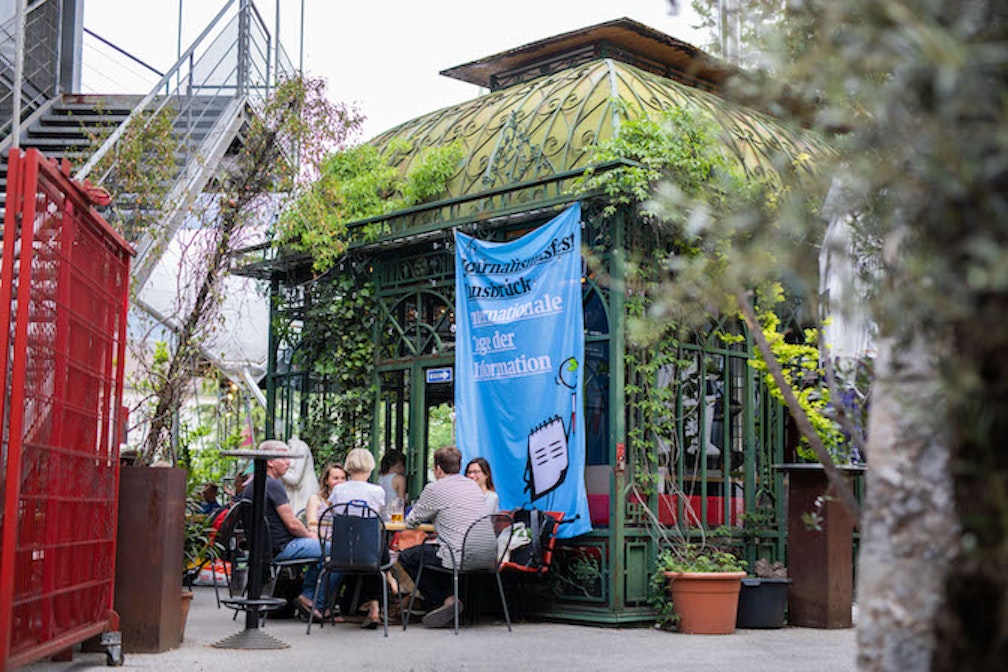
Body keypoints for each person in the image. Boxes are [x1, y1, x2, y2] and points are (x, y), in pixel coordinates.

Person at [239, 439, 335, 622]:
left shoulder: (255, 484)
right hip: (282, 548)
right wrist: (311, 535)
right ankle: (310, 599)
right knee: (330, 550)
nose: (289, 462)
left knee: (321, 548)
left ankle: (308, 598)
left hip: (265, 549)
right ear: (270, 461)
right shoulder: (273, 485)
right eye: (284, 457)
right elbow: (292, 523)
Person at [399, 445, 486, 628]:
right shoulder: (473, 486)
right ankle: (450, 601)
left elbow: (411, 522)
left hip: (456, 555)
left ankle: (441, 601)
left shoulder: (435, 488)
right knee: (436, 552)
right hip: (485, 553)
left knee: (408, 556)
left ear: (438, 468)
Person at [328, 448, 387, 629]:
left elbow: (333, 512)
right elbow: (378, 517)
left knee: (367, 549)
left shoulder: (338, 490)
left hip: (342, 551)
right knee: (377, 552)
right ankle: (376, 606)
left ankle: (368, 605)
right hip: (368, 553)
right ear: (370, 467)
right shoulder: (377, 491)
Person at [280, 436, 320, 520]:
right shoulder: (293, 449)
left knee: (304, 518)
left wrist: (279, 471)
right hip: (298, 491)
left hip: (305, 490)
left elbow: (295, 479)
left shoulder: (301, 448)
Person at [305, 463, 348, 532]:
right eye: (335, 478)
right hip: (320, 539)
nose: (340, 482)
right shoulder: (315, 499)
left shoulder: (348, 501)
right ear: (326, 481)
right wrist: (328, 539)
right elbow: (311, 525)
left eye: (343, 478)